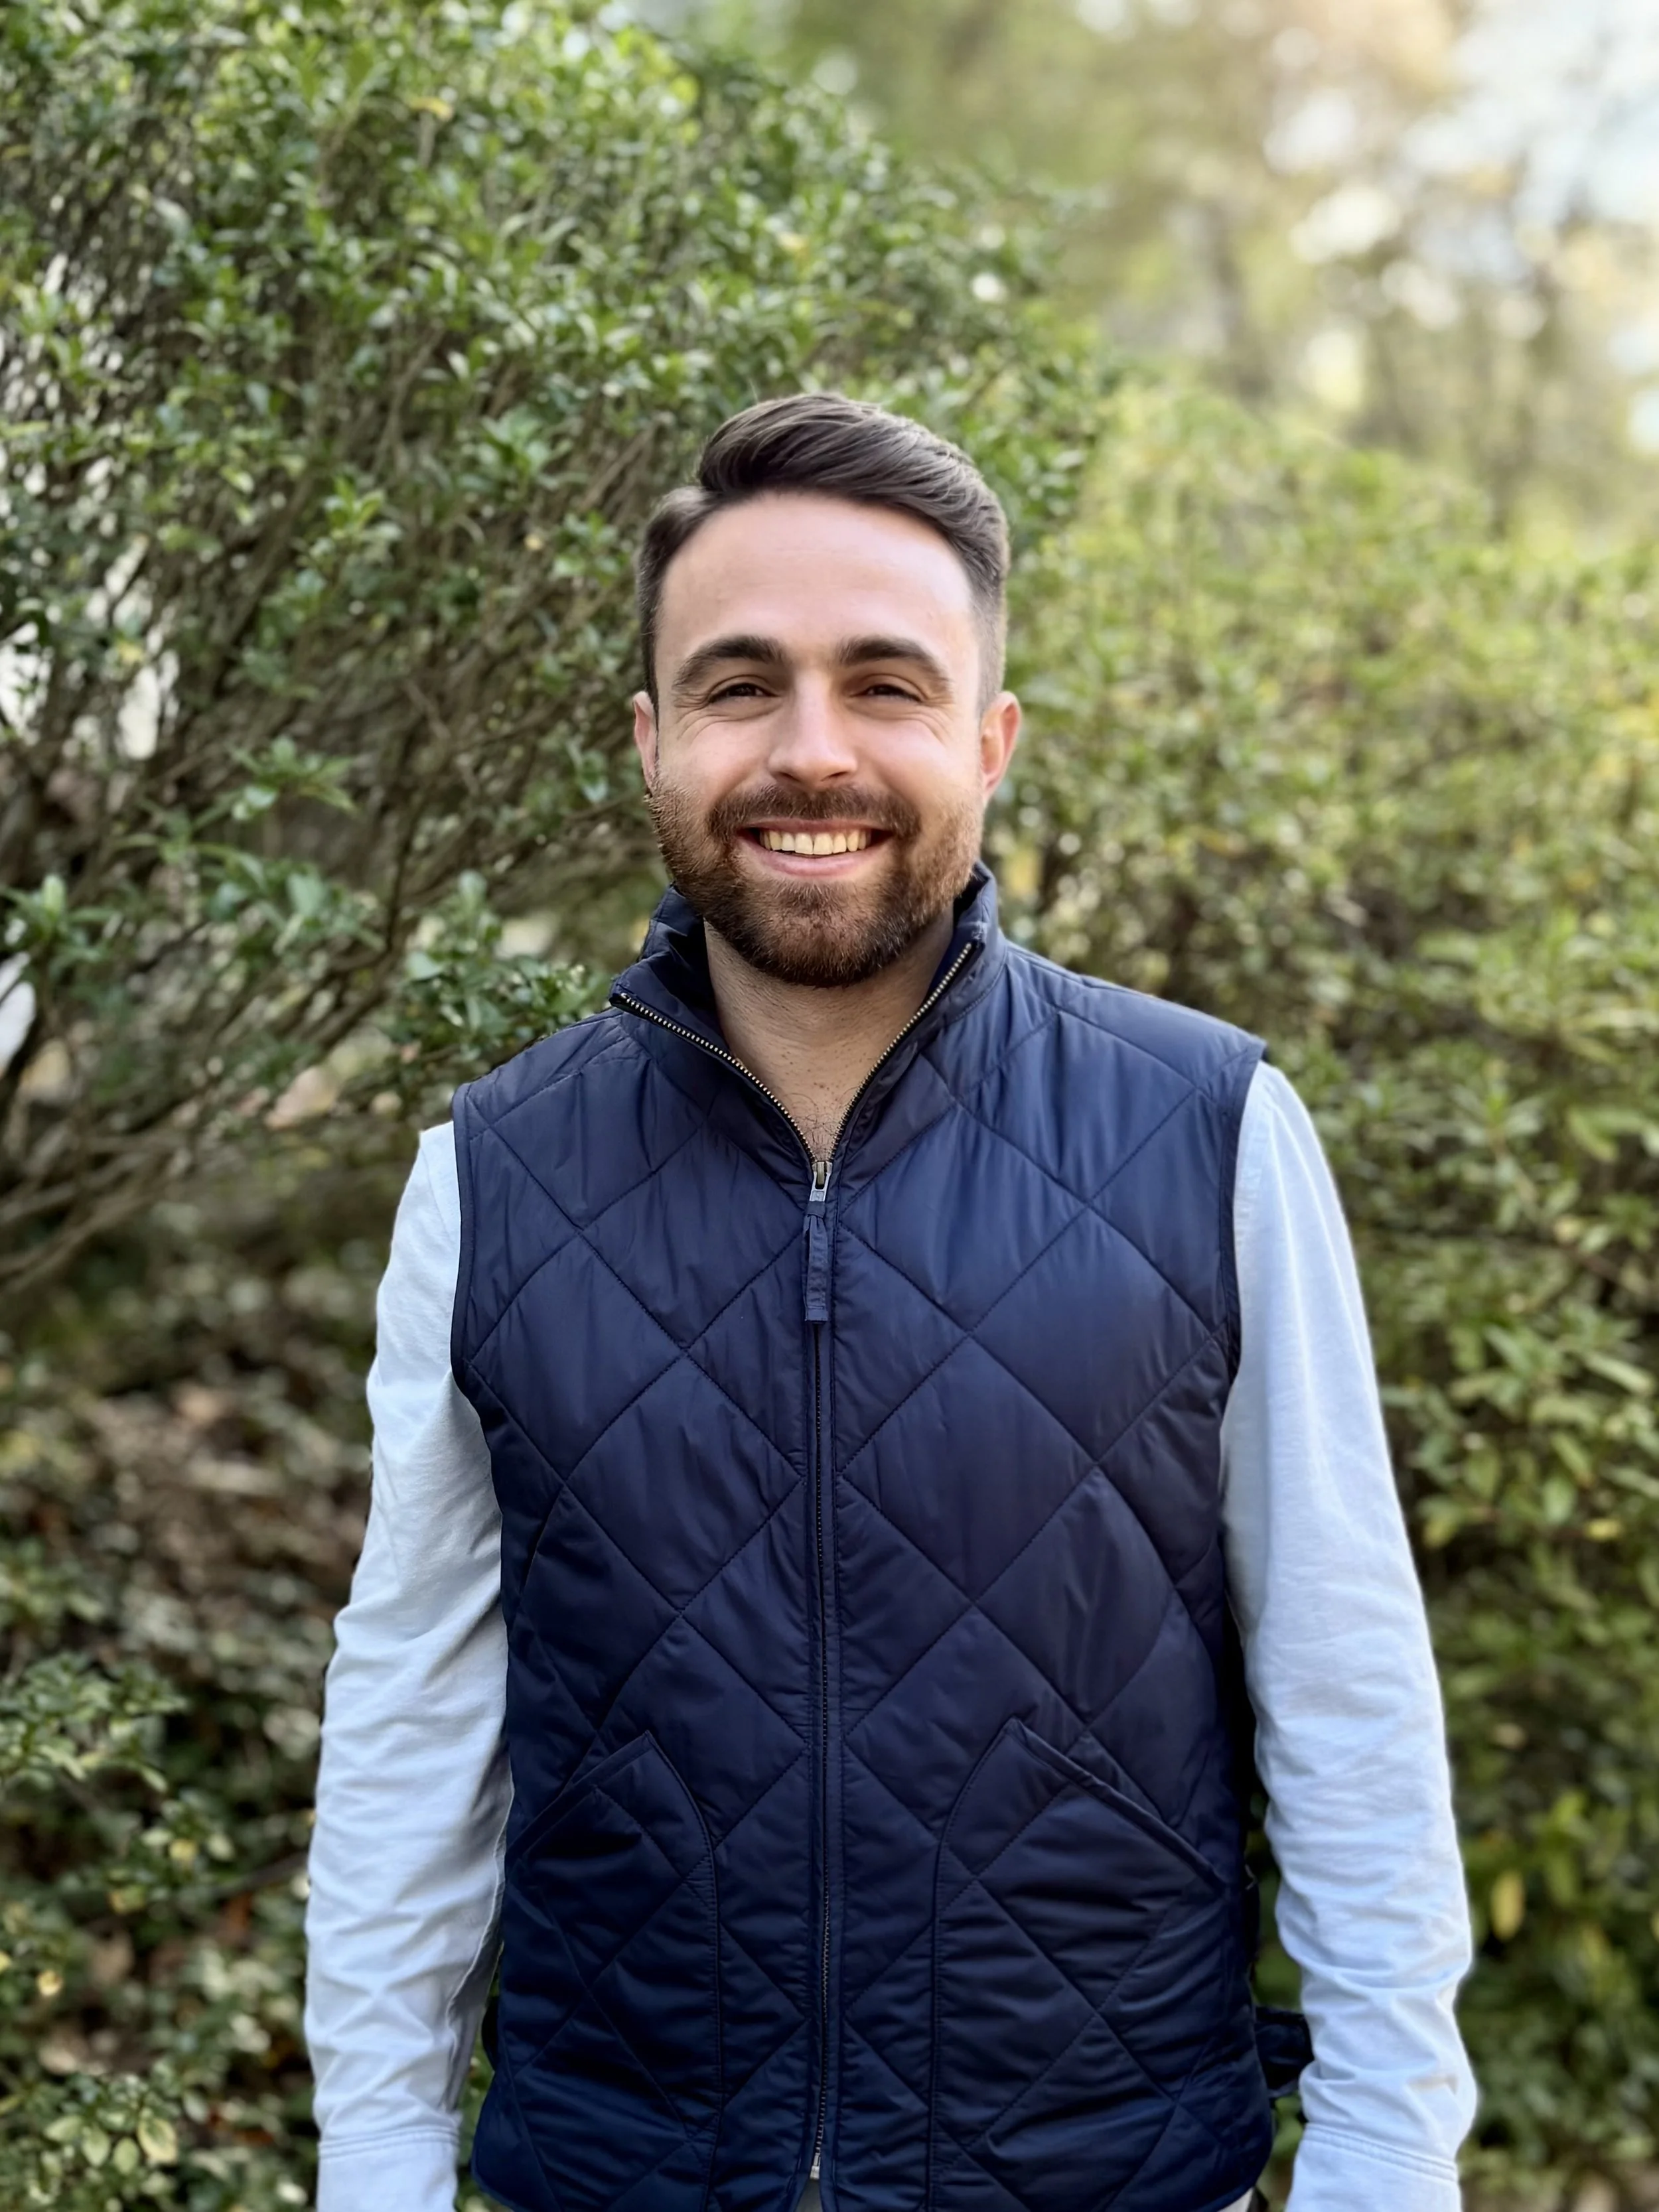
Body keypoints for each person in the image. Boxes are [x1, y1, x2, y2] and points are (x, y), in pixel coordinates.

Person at [303, 394, 1477, 2212]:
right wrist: (374, 2169)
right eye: (738, 683)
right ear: (650, 739)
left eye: (886, 683)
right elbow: (412, 1726)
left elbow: (1343, 1689)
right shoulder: (490, 1173)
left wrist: (1383, 2165)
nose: (811, 749)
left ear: (990, 737)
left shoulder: (1212, 1131)